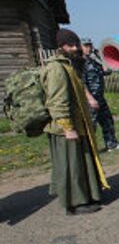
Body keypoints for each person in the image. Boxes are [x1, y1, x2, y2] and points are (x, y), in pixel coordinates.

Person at [41, 29, 110, 215]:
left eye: (76, 44)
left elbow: (79, 85)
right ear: (61, 46)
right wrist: (67, 127)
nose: (75, 48)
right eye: (70, 45)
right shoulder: (56, 68)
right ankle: (76, 204)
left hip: (78, 123)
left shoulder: (69, 64)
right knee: (73, 167)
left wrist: (89, 99)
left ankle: (88, 195)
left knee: (82, 162)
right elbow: (57, 100)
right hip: (66, 127)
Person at [81, 38, 119, 151]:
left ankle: (111, 144)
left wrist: (101, 57)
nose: (88, 48)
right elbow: (81, 83)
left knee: (107, 120)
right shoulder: (80, 63)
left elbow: (107, 71)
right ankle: (88, 150)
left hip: (100, 97)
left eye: (90, 45)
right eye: (85, 46)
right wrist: (90, 99)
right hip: (90, 99)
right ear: (80, 47)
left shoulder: (93, 61)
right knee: (91, 125)